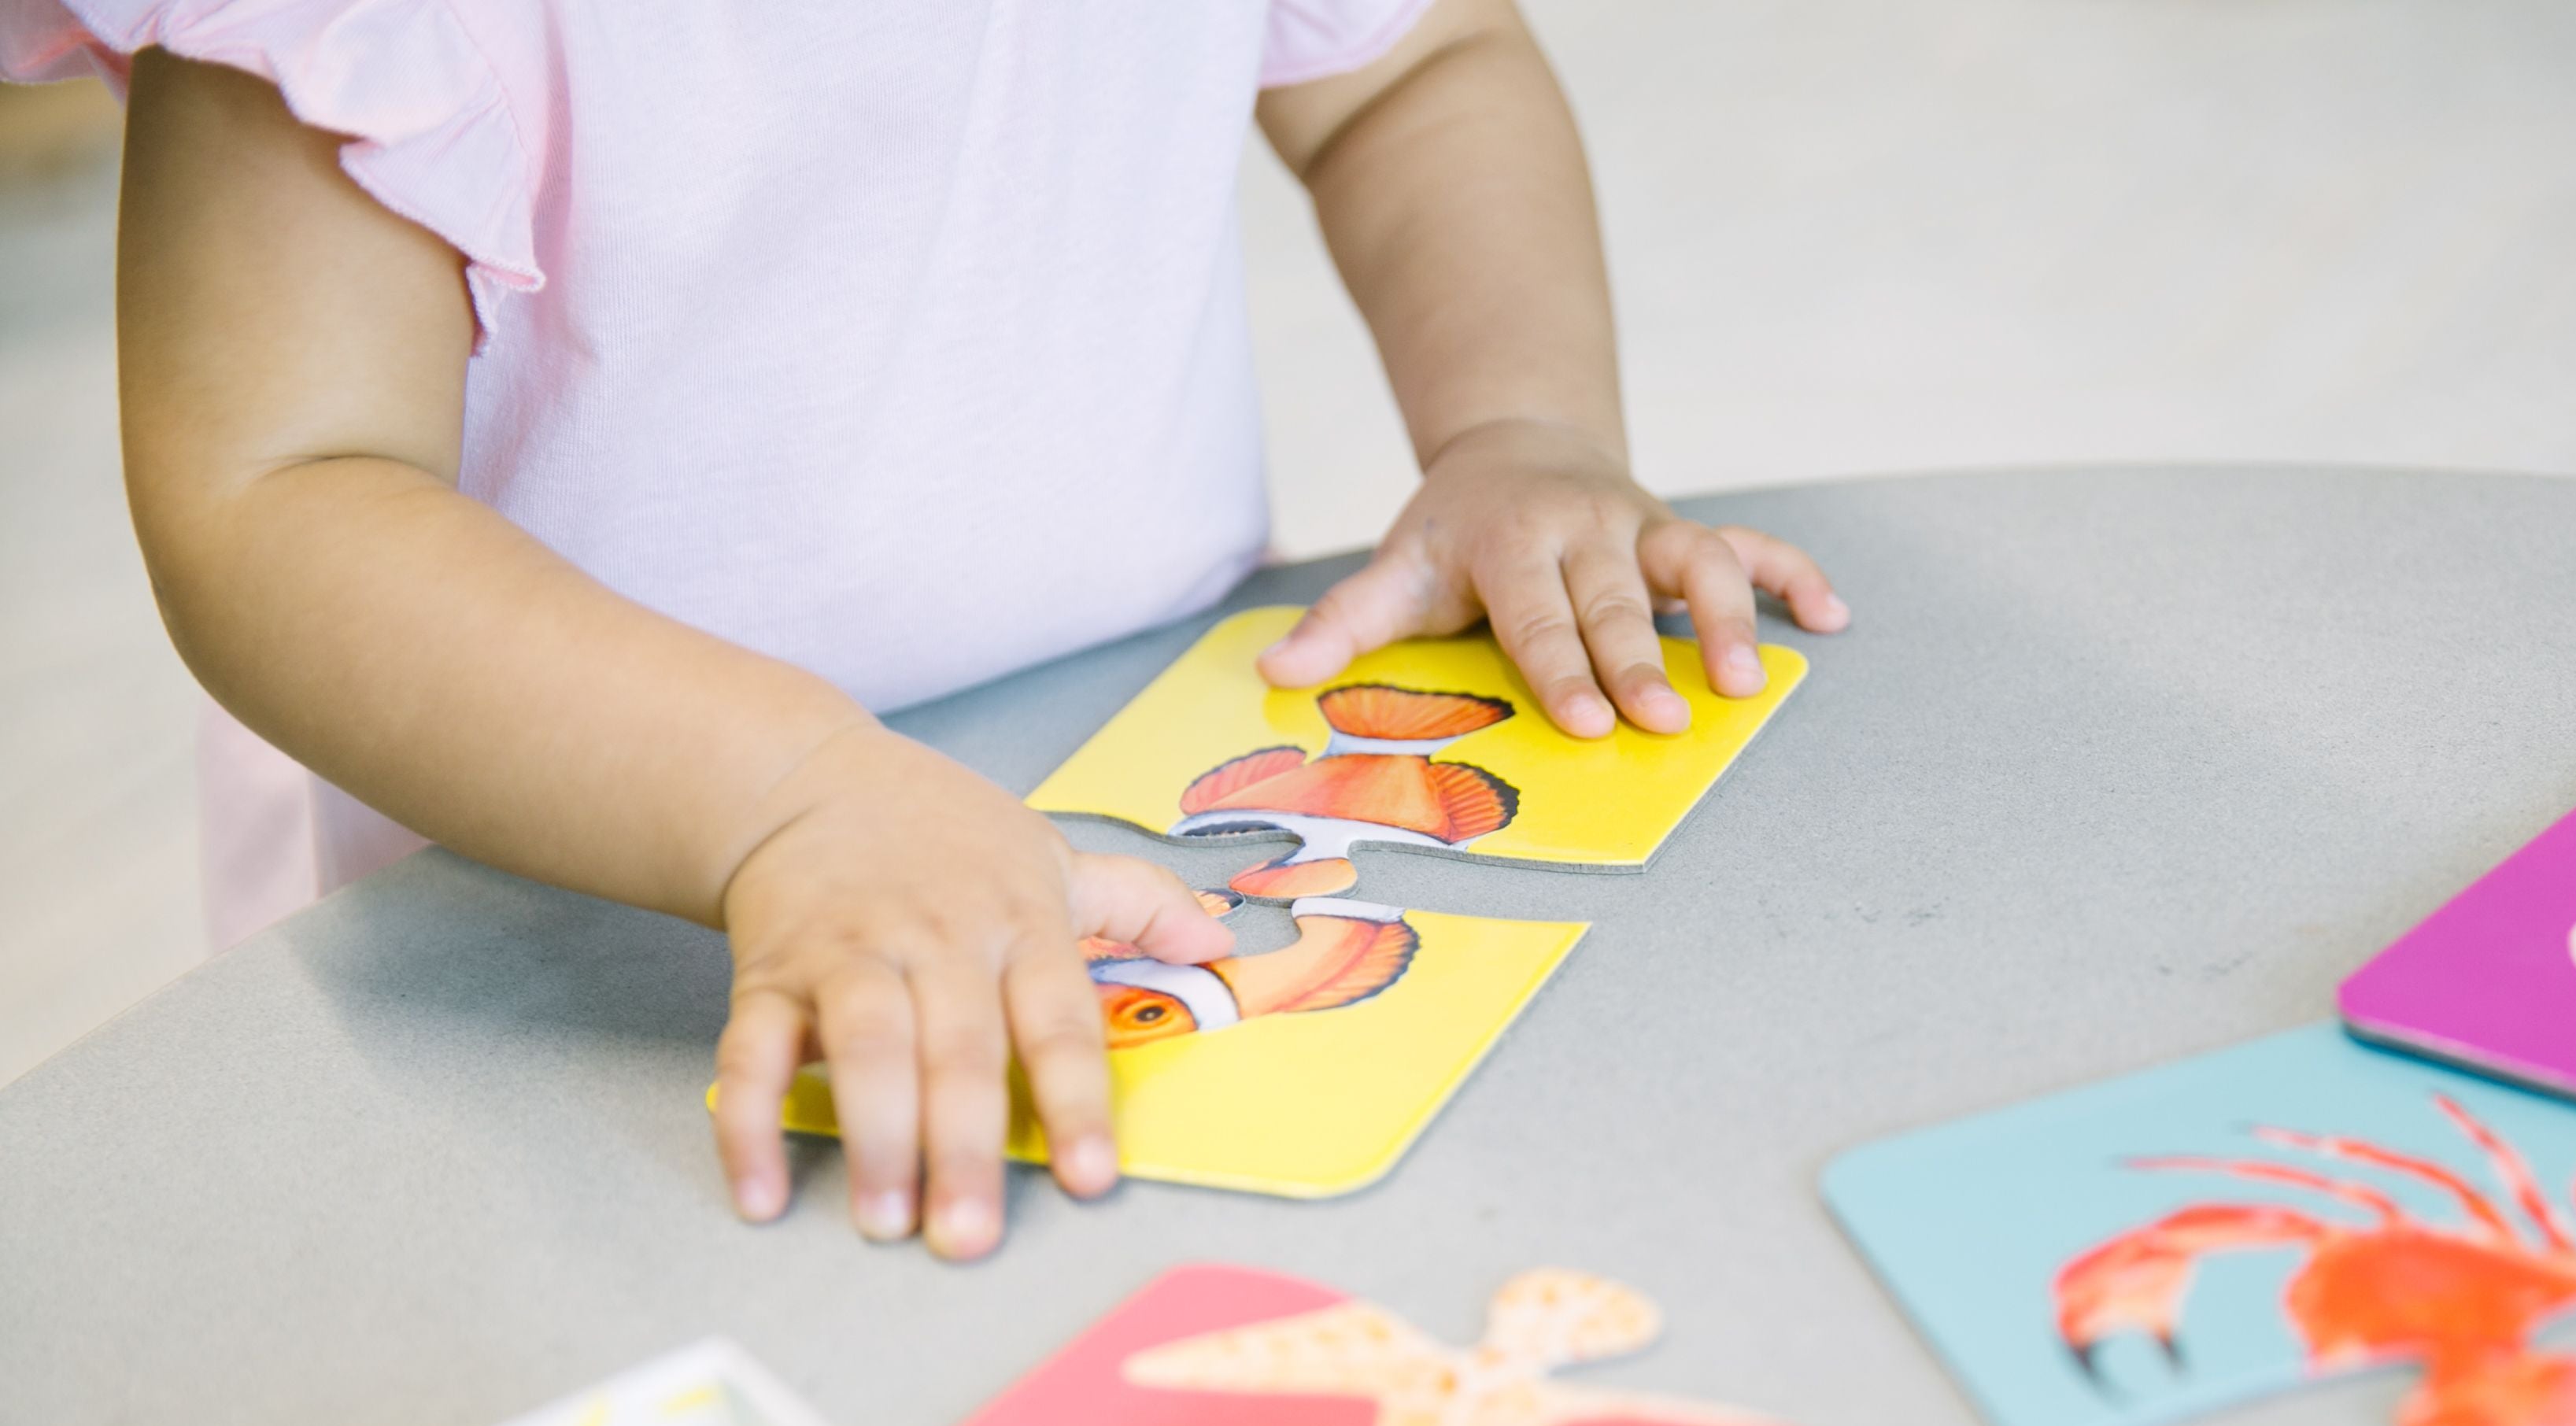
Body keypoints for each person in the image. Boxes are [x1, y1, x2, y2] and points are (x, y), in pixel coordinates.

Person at [1, 0, 1846, 1258]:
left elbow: (1411, 70)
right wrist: (789, 798)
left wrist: (1519, 427)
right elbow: (277, 494)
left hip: (1134, 766)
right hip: (561, 923)